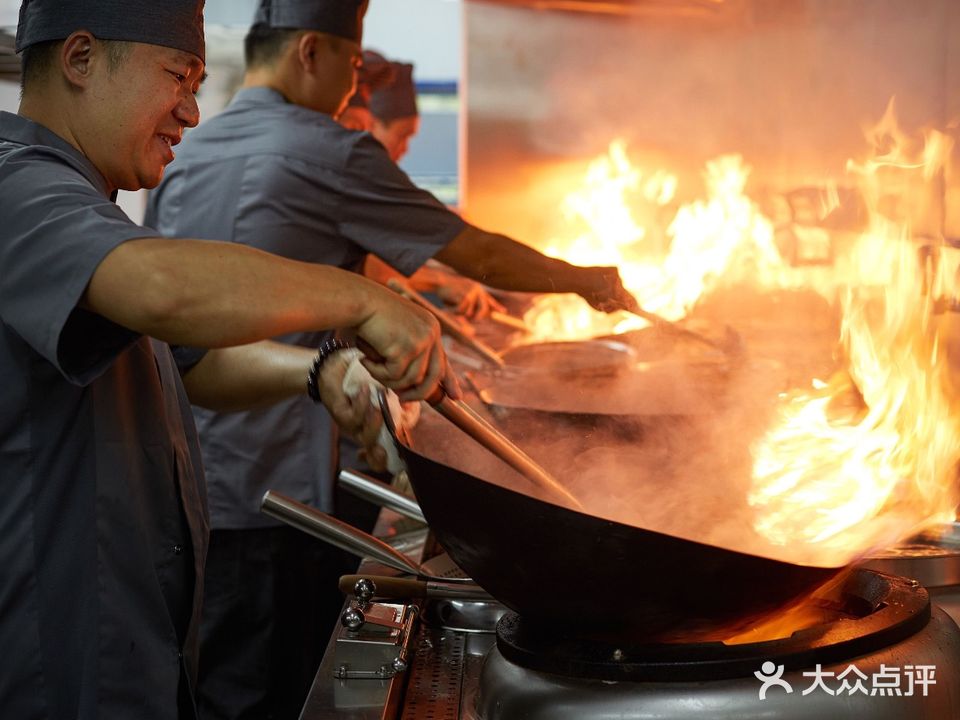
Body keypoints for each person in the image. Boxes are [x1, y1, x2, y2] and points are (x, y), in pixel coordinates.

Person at [144, 1, 641, 718]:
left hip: (192, 477)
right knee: (281, 684)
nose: (352, 88)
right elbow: (474, 250)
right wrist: (584, 279)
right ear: (310, 52)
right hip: (287, 476)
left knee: (220, 681)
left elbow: (177, 332)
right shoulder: (329, 149)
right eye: (350, 65)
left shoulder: (188, 151)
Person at [0, 1, 455, 718]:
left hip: (131, 645)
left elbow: (192, 364)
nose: (190, 112)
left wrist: (319, 372)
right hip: (52, 663)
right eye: (177, 78)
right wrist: (363, 301)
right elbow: (162, 289)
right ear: (80, 59)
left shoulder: (91, 206)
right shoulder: (13, 186)